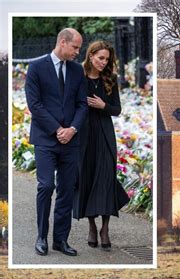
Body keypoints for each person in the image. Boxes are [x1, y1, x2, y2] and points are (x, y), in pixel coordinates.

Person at [25, 28, 88, 256]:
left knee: (66, 190)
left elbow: (82, 104)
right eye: (75, 47)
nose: (78, 52)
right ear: (63, 42)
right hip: (45, 139)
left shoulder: (76, 70)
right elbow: (35, 105)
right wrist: (57, 129)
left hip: (70, 140)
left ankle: (60, 241)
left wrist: (71, 129)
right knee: (46, 186)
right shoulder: (36, 68)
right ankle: (41, 237)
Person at [73, 41, 129, 251]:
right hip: (84, 135)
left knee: (106, 179)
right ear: (90, 55)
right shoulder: (78, 77)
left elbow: (117, 110)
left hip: (105, 135)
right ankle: (91, 226)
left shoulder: (110, 79)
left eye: (106, 59)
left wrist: (103, 105)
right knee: (86, 177)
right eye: (100, 58)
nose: (103, 63)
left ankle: (105, 228)